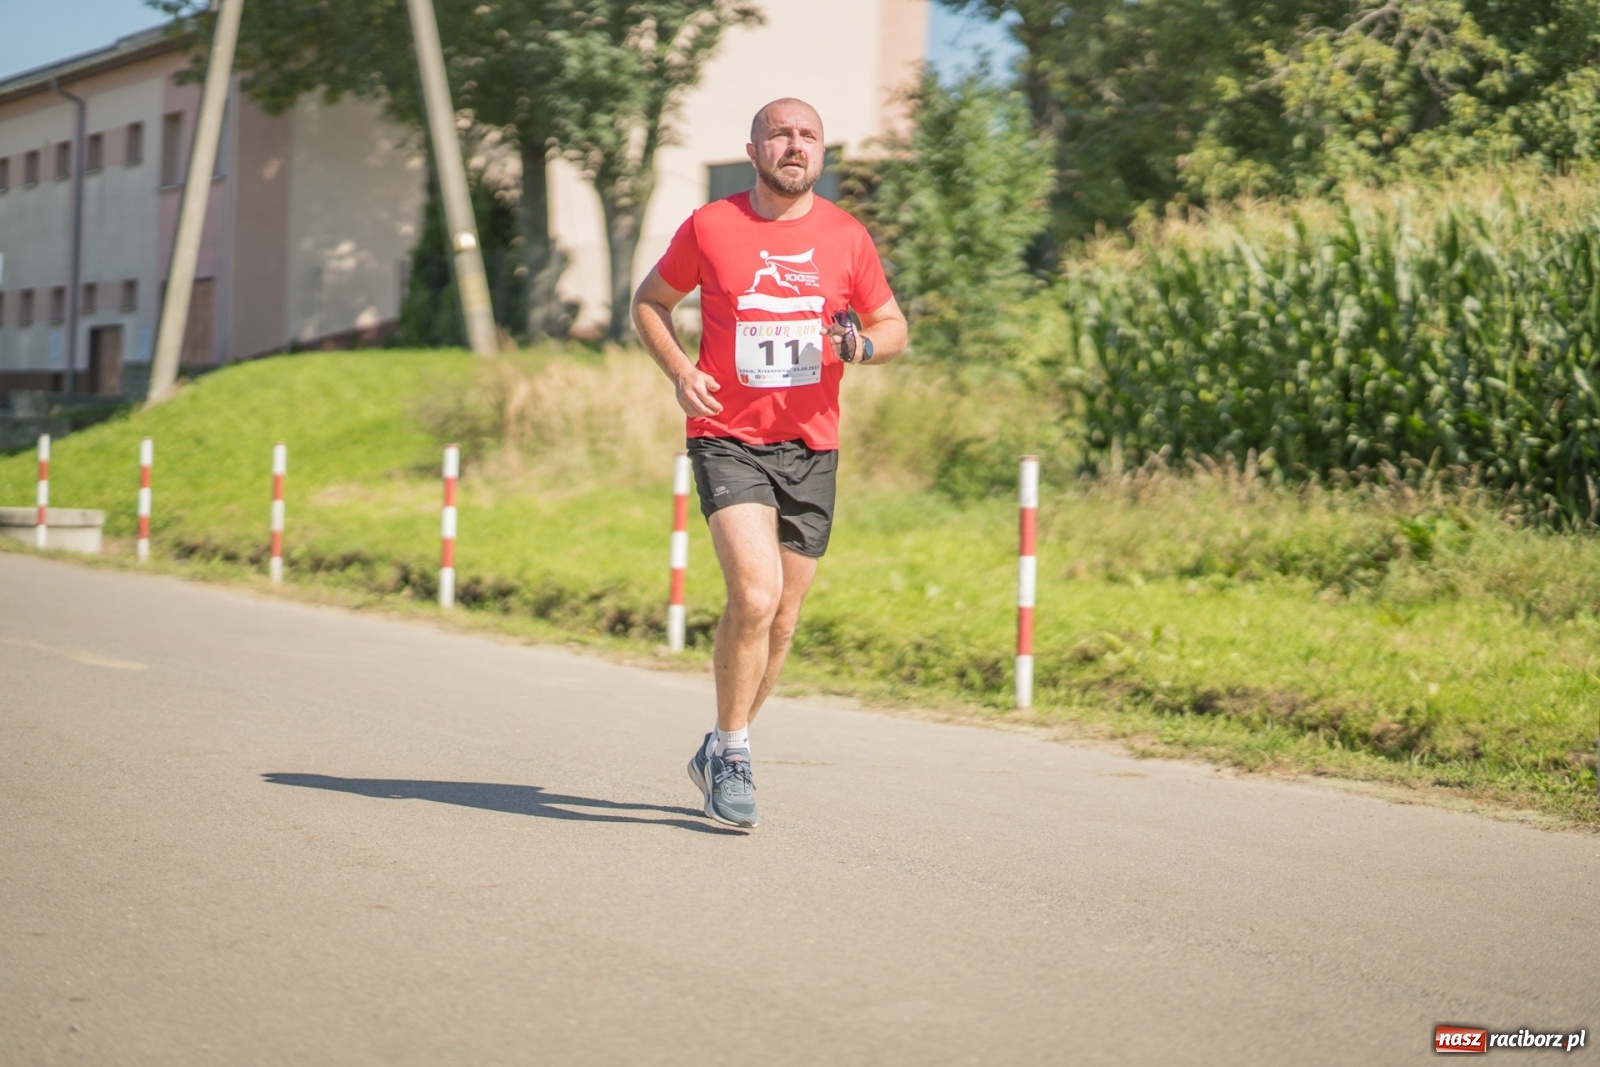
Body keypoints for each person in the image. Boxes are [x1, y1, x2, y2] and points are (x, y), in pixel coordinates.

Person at [631, 98, 908, 828]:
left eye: (808, 135)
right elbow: (650, 302)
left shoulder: (847, 236)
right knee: (754, 597)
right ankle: (734, 750)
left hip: (811, 445)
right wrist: (680, 372)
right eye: (779, 134)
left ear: (822, 154)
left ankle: (721, 741)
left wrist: (865, 347)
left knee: (782, 618)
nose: (794, 144)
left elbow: (892, 324)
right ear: (753, 151)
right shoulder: (712, 226)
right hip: (727, 435)